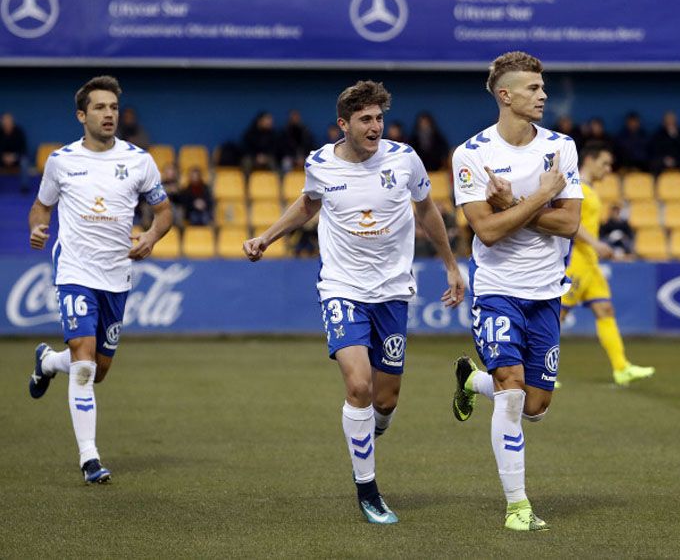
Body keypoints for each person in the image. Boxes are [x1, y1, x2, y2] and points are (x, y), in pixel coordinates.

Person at [242, 80, 464, 525]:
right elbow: (308, 205)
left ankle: (371, 428)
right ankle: (368, 490)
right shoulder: (320, 162)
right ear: (343, 124)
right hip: (342, 288)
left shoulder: (404, 160)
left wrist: (451, 265)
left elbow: (426, 210)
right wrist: (266, 236)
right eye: (365, 119)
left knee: (385, 399)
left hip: (393, 291)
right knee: (359, 385)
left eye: (379, 118)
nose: (375, 126)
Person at [449, 51, 582, 531]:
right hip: (497, 289)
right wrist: (543, 194)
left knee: (536, 406)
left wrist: (518, 204)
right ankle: (518, 506)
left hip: (546, 292)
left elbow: (570, 224)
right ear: (505, 95)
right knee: (510, 391)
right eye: (533, 88)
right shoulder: (472, 154)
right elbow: (487, 231)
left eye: (543, 88)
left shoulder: (561, 147)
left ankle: (469, 381)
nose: (543, 95)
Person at [27, 76, 173, 484]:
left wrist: (151, 236)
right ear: (81, 115)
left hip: (116, 275)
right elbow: (41, 208)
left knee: (97, 368)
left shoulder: (139, 160)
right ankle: (90, 458)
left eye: (113, 107)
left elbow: (164, 213)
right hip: (74, 270)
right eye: (99, 107)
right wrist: (39, 229)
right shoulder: (61, 161)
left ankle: (47, 361)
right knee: (85, 361)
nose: (109, 114)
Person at [561, 141, 655, 385]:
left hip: (590, 263)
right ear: (589, 160)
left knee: (605, 310)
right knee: (555, 317)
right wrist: (597, 244)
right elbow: (570, 223)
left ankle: (621, 368)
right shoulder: (576, 188)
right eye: (604, 163)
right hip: (575, 262)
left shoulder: (590, 190)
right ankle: (534, 373)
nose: (608, 169)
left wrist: (596, 247)